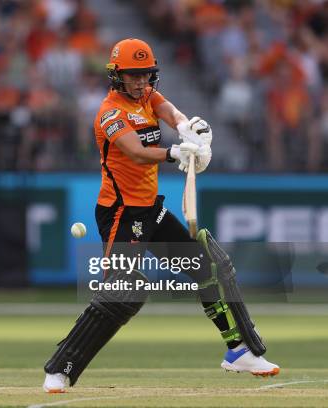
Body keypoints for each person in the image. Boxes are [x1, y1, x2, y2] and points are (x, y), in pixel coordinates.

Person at [42, 38, 280, 393]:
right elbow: (136, 151)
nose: (140, 82)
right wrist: (175, 153)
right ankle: (60, 369)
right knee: (124, 292)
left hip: (150, 209)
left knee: (210, 267)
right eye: (133, 75)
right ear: (116, 76)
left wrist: (188, 130)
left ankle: (239, 351)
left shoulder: (149, 96)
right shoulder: (110, 113)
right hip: (121, 213)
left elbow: (172, 112)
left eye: (146, 74)